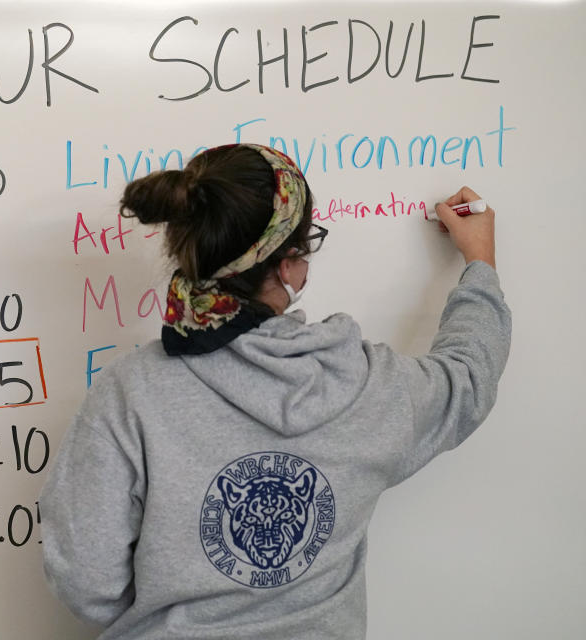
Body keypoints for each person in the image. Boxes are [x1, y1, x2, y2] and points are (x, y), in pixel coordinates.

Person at [39, 144, 510, 639]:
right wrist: (480, 259)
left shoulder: (128, 393)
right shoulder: (367, 386)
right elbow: (468, 378)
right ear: (288, 265)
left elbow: (87, 579)